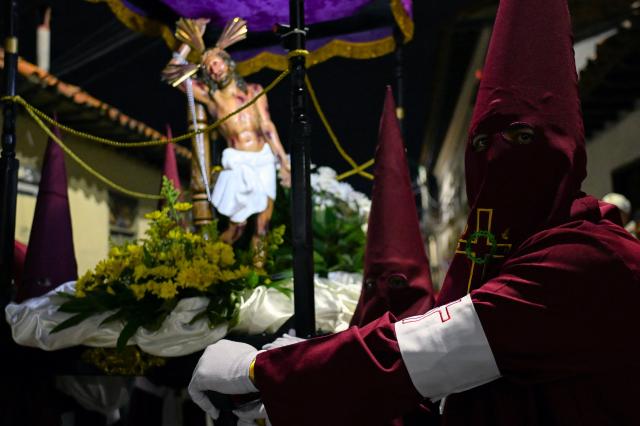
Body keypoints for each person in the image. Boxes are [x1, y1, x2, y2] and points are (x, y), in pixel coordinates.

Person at [187, 0, 640, 425]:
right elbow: (443, 392)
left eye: (523, 138)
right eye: (483, 144)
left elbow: (430, 350)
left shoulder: (591, 257)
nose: (500, 157)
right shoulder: (507, 253)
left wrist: (261, 369)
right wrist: (296, 380)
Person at [163, 18, 291, 247]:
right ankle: (213, 267)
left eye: (217, 62)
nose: (215, 68)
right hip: (238, 162)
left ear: (227, 62)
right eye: (209, 67)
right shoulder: (211, 97)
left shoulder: (254, 91)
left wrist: (282, 160)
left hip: (263, 159)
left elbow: (267, 126)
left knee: (263, 226)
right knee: (236, 227)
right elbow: (172, 75)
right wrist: (191, 41)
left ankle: (259, 277)